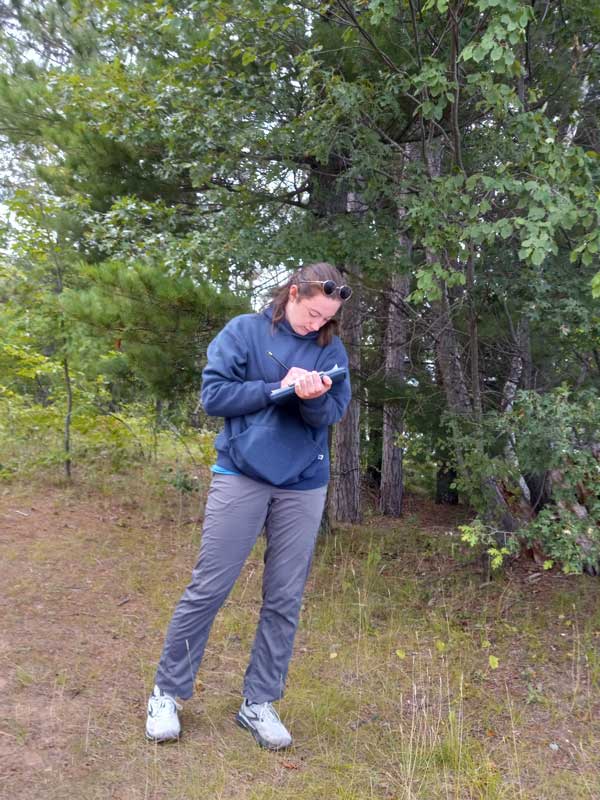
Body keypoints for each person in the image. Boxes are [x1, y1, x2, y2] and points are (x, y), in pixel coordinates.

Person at [145, 262, 352, 750]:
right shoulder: (244, 331)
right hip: (241, 474)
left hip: (304, 483)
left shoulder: (330, 347)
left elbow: (332, 413)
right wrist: (277, 389)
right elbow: (214, 396)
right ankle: (167, 693)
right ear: (292, 294)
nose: (317, 325)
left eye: (327, 318)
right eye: (312, 314)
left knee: (284, 598)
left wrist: (312, 395)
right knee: (209, 587)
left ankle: (258, 703)